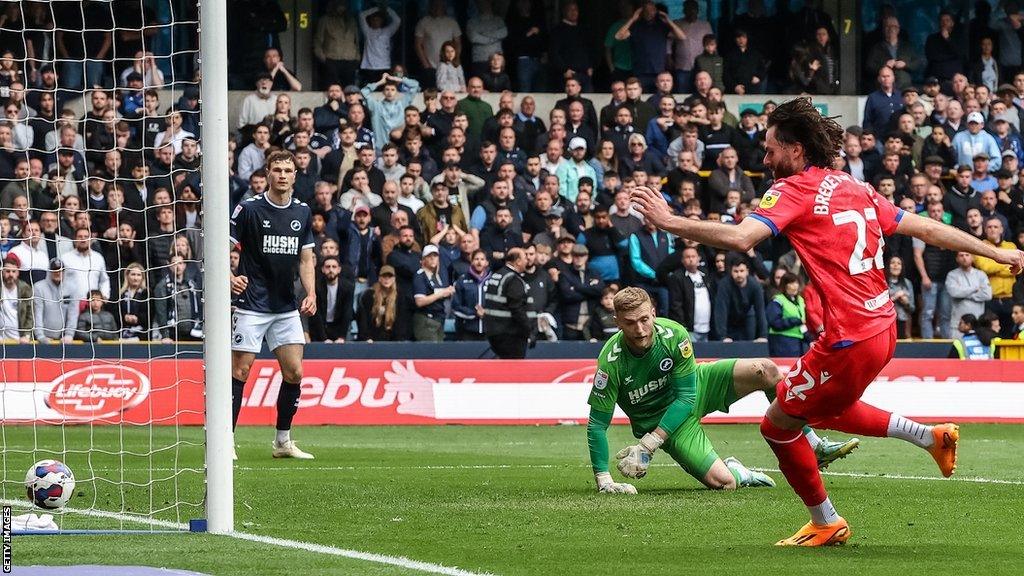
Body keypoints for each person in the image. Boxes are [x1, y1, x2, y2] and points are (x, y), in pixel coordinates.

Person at [631, 96, 1024, 546]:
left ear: (796, 151)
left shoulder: (790, 191)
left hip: (851, 337)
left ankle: (826, 521)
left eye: (771, 148)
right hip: (883, 328)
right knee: (812, 404)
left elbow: (742, 239)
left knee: (777, 425)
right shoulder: (850, 185)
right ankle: (930, 437)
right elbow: (927, 227)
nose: (765, 157)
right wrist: (998, 251)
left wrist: (669, 220)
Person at [586, 287, 854, 496]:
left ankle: (812, 444)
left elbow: (687, 396)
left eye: (645, 319)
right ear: (617, 322)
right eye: (630, 323)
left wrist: (648, 444)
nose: (640, 329)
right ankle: (739, 472)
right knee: (724, 483)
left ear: (654, 313)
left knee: (768, 370)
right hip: (662, 421)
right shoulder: (611, 361)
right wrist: (604, 479)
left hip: (695, 388)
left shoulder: (674, 335)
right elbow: (597, 424)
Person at [229, 150, 317, 460]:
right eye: (277, 169)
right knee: (240, 370)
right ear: (268, 173)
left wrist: (312, 293)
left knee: (294, 372)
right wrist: (229, 277)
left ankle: (283, 442)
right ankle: (226, 442)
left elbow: (307, 257)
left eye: (287, 170)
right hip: (252, 304)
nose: (282, 174)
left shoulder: (303, 212)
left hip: (285, 307)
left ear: (295, 175)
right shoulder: (249, 209)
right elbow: (220, 246)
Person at [482, 247, 531, 358]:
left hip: (492, 331)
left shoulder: (496, 275)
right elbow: (517, 308)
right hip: (509, 334)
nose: (527, 261)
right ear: (518, 261)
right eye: (525, 258)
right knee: (514, 370)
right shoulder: (513, 280)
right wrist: (528, 329)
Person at [767, 272, 808, 357]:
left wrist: (809, 339)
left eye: (796, 283)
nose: (795, 286)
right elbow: (775, 323)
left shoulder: (800, 300)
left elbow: (802, 324)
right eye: (791, 283)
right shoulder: (777, 300)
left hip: (797, 342)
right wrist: (795, 321)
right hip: (781, 341)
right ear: (785, 285)